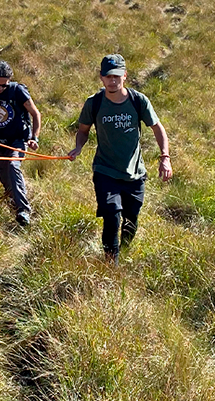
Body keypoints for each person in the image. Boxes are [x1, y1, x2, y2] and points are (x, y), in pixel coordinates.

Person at [68, 53, 172, 264]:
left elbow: (157, 128)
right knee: (112, 216)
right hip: (105, 171)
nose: (112, 81)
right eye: (108, 76)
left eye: (116, 76)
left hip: (135, 173)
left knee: (131, 219)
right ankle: (111, 264)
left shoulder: (138, 101)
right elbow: (83, 130)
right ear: (101, 77)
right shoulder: (94, 103)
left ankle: (124, 249)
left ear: (125, 75)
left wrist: (165, 157)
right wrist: (78, 147)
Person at [0, 60, 42, 226]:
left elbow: (36, 114)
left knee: (13, 166)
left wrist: (34, 137)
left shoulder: (18, 91)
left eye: (4, 85)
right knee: (4, 175)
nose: (0, 88)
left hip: (17, 139)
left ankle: (24, 210)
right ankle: (13, 202)